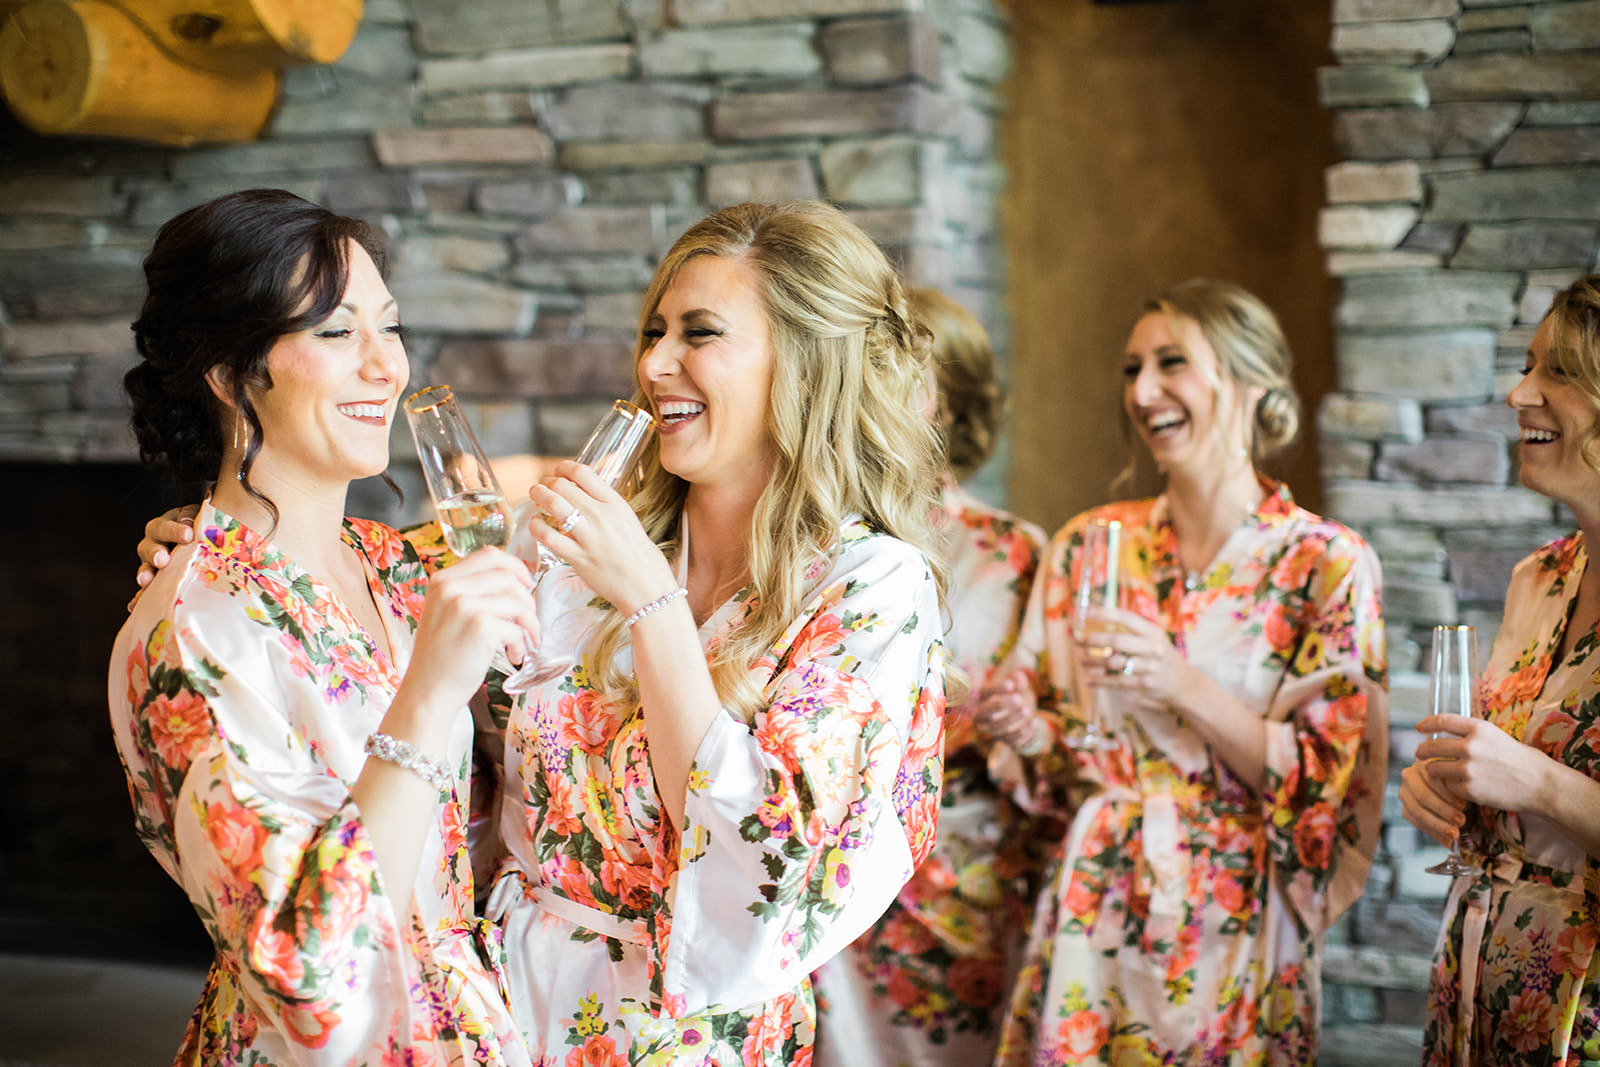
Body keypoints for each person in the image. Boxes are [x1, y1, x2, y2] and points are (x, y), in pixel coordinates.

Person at [480, 200, 949, 1062]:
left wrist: (654, 608)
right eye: (655, 330)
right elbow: (414, 673)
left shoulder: (871, 587)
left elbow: (769, 848)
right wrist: (230, 537)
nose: (655, 362)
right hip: (505, 1003)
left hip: (682, 1032)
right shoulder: (590, 548)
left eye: (700, 333)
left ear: (806, 366)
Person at [110, 189, 535, 1066]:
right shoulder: (193, 635)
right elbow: (301, 972)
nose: (387, 367)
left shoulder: (393, 565)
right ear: (229, 376)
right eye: (337, 333)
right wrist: (426, 697)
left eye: (390, 326)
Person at [981, 279, 1388, 1064]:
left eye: (1172, 363)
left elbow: (1326, 780)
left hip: (1238, 913)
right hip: (1095, 903)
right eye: (1132, 368)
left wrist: (1178, 682)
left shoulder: (1325, 563)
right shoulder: (1087, 545)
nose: (1141, 390)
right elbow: (1062, 754)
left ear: (1251, 382)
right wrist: (1028, 731)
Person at [810, 288, 1048, 1065]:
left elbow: (1049, 727)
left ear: (947, 404)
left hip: (966, 877)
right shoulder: (822, 544)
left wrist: (1015, 727)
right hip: (835, 872)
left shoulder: (1016, 553)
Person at [1402, 273, 1600, 1066]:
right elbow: (1496, 775)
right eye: (1527, 366)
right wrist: (1444, 792)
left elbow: (1530, 780)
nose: (1520, 392)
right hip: (1481, 987)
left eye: (1556, 371)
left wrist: (1535, 783)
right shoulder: (1537, 578)